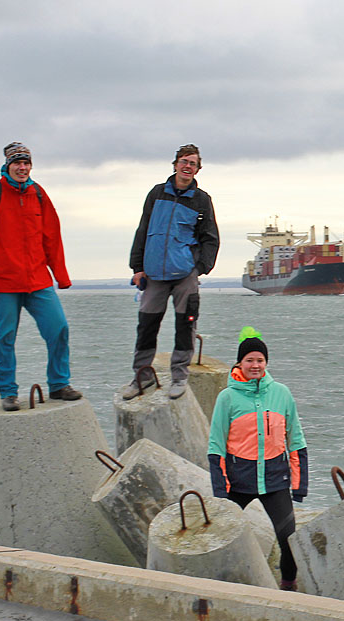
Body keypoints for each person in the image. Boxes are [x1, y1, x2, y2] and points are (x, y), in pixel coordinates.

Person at [0, 141, 82, 411]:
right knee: (5, 337)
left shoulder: (39, 194)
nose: (22, 168)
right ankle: (8, 392)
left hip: (38, 280)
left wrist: (61, 276)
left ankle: (58, 385)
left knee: (59, 328)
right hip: (5, 283)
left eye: (26, 163)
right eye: (17, 163)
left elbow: (52, 237)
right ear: (7, 166)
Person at [207, 327, 308, 591]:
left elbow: (296, 440)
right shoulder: (227, 398)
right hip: (239, 482)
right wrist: (221, 490)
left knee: (288, 538)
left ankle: (289, 587)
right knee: (221, 536)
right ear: (239, 363)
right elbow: (216, 446)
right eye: (249, 360)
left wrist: (298, 485)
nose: (255, 365)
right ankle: (218, 586)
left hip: (275, 480)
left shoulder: (282, 393)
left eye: (260, 360)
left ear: (266, 363)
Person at [122, 144, 220, 400]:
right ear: (175, 164)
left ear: (198, 169)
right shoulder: (156, 194)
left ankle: (179, 376)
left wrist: (199, 268)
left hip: (184, 274)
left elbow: (210, 238)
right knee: (146, 327)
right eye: (184, 162)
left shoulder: (202, 200)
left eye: (193, 163)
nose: (188, 167)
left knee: (185, 327)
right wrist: (138, 267)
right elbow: (143, 229)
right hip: (153, 274)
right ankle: (141, 377)